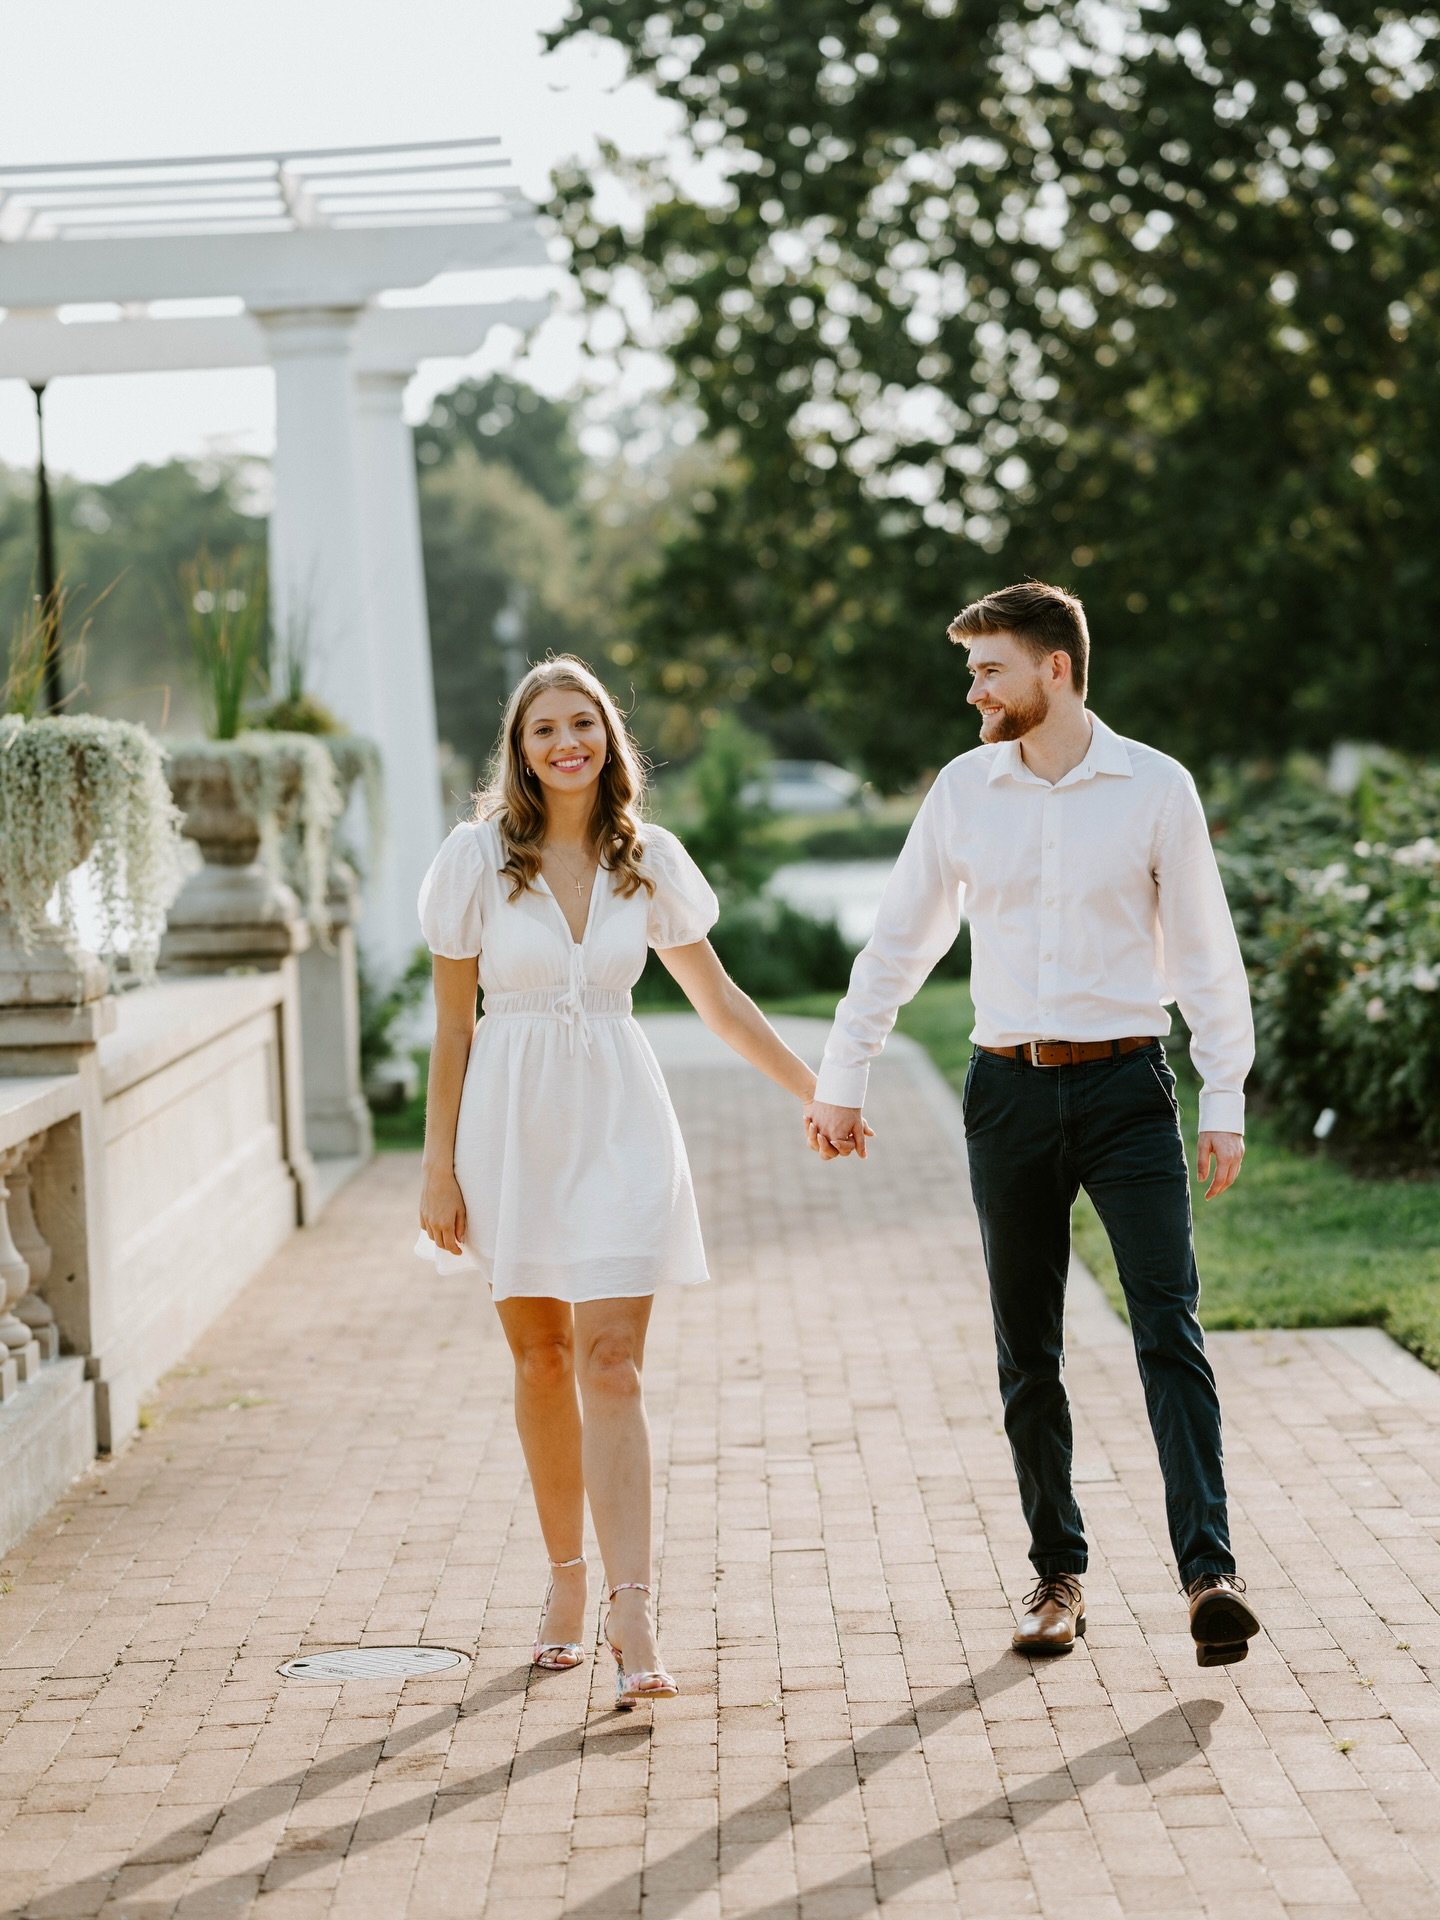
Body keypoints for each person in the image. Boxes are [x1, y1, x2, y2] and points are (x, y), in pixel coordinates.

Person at [806, 582, 1263, 1667]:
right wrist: (844, 1073)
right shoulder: (965, 792)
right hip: (1006, 1094)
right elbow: (899, 941)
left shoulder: (1157, 788)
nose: (974, 690)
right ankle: (1056, 1577)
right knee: (1029, 1350)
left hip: (1127, 1092)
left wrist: (1225, 1094)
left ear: (1054, 670)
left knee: (1169, 1328)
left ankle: (1211, 1575)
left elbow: (1206, 952)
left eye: (988, 669)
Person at [416, 656, 819, 1708]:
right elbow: (454, 1029)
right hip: (511, 1133)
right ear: (520, 748)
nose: (565, 743)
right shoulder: (473, 863)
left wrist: (820, 1091)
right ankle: (563, 1582)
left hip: (622, 1125)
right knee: (542, 1358)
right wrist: (437, 1170)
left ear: (608, 740)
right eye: (544, 727)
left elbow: (720, 1003)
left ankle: (631, 1607)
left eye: (582, 723)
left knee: (613, 1367)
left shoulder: (650, 862)